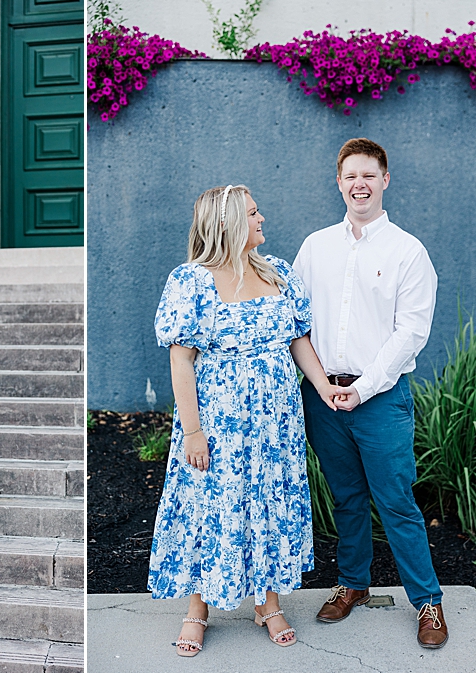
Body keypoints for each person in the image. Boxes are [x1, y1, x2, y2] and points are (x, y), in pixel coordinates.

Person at [147, 185, 339, 656]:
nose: (262, 219)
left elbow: (298, 342)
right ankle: (197, 609)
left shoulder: (279, 273)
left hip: (275, 423)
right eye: (253, 213)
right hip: (218, 422)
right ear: (230, 222)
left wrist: (323, 386)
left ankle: (267, 603)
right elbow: (181, 361)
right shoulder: (191, 281)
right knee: (206, 506)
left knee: (268, 505)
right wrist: (192, 430)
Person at [293, 137, 447, 648]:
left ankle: (427, 602)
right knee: (348, 498)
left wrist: (362, 389)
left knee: (396, 501)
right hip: (323, 396)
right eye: (350, 176)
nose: (359, 184)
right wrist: (321, 384)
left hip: (379, 399)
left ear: (385, 180)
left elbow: (410, 334)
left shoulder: (407, 251)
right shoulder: (316, 247)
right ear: (338, 183)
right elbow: (295, 322)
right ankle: (352, 585)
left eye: (369, 175)